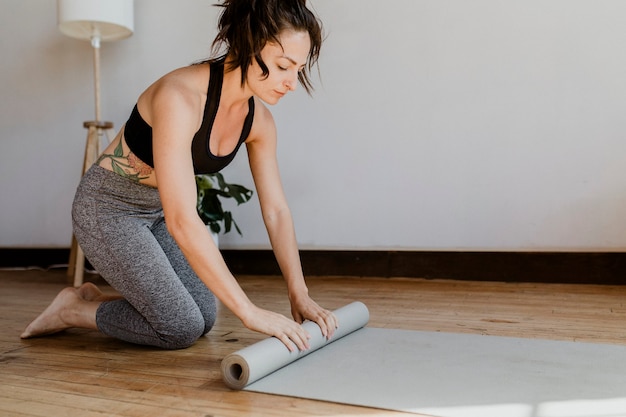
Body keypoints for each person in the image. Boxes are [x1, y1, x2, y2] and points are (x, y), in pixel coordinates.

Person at [21, 0, 337, 351]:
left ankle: (100, 301)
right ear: (249, 43)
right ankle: (73, 310)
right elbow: (183, 219)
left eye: (298, 69)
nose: (292, 83)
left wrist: (300, 293)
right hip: (107, 209)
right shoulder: (180, 97)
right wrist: (249, 312)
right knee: (181, 327)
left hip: (156, 213)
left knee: (204, 315)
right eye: (283, 66)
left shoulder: (258, 122)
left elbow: (276, 210)